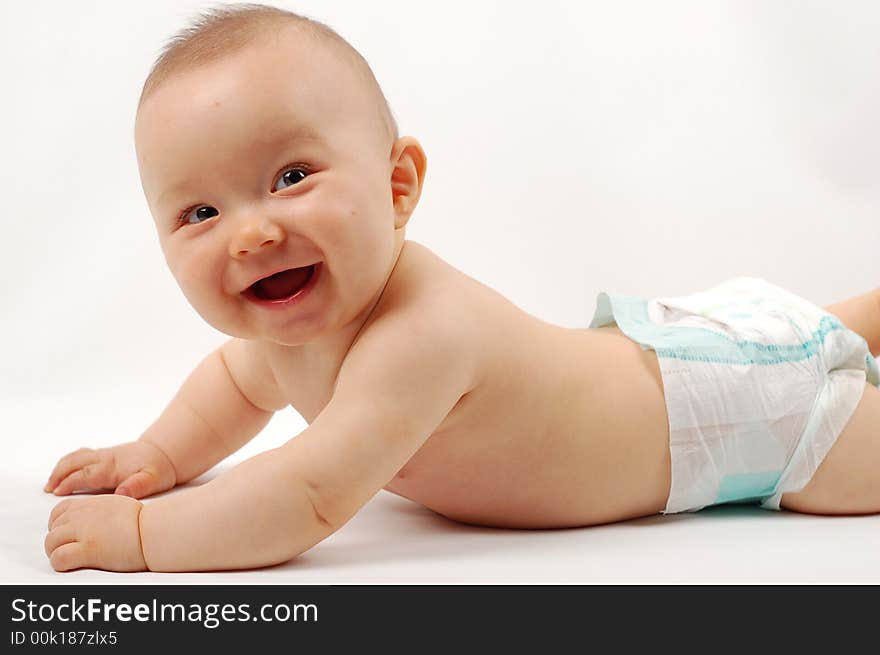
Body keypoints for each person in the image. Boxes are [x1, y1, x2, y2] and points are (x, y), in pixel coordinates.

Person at [43, 4, 880, 572]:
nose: (251, 231)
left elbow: (304, 495)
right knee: (811, 329)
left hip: (738, 425)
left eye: (291, 176)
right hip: (673, 349)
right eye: (199, 211)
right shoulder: (287, 337)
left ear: (399, 185)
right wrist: (156, 454)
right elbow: (230, 383)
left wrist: (149, 537)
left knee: (838, 426)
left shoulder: (420, 335)